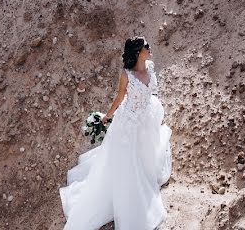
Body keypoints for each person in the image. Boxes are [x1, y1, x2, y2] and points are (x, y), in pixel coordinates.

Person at [59, 36, 173, 230]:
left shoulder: (151, 67)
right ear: (138, 52)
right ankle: (130, 193)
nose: (149, 48)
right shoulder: (126, 75)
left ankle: (145, 175)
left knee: (145, 151)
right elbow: (120, 98)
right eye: (146, 47)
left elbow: (151, 92)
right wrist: (106, 117)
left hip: (145, 118)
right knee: (127, 160)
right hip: (128, 122)